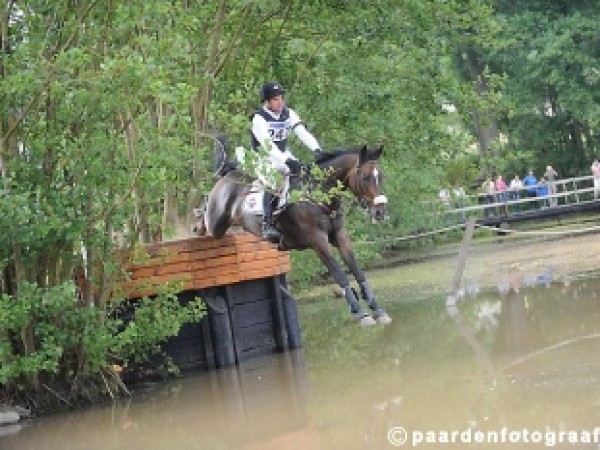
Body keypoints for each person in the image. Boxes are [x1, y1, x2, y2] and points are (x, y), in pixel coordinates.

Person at [250, 81, 323, 241]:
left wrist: (317, 149)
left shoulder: (288, 113)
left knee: (305, 175)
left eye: (281, 98)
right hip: (262, 158)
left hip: (282, 154)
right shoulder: (258, 119)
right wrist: (288, 161)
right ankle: (267, 224)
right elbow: (269, 147)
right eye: (276, 99)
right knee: (274, 182)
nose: (280, 102)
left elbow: (302, 132)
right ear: (267, 102)